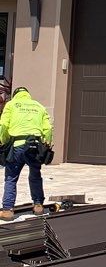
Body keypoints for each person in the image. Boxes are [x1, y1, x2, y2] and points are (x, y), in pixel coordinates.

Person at [0, 87, 53, 220]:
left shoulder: (11, 105)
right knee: (35, 175)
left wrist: (3, 141)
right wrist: (46, 144)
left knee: (11, 177)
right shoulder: (39, 106)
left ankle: (7, 210)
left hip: (17, 146)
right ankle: (38, 205)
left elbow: (3, 125)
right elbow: (48, 128)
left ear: (15, 95)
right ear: (27, 95)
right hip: (34, 146)